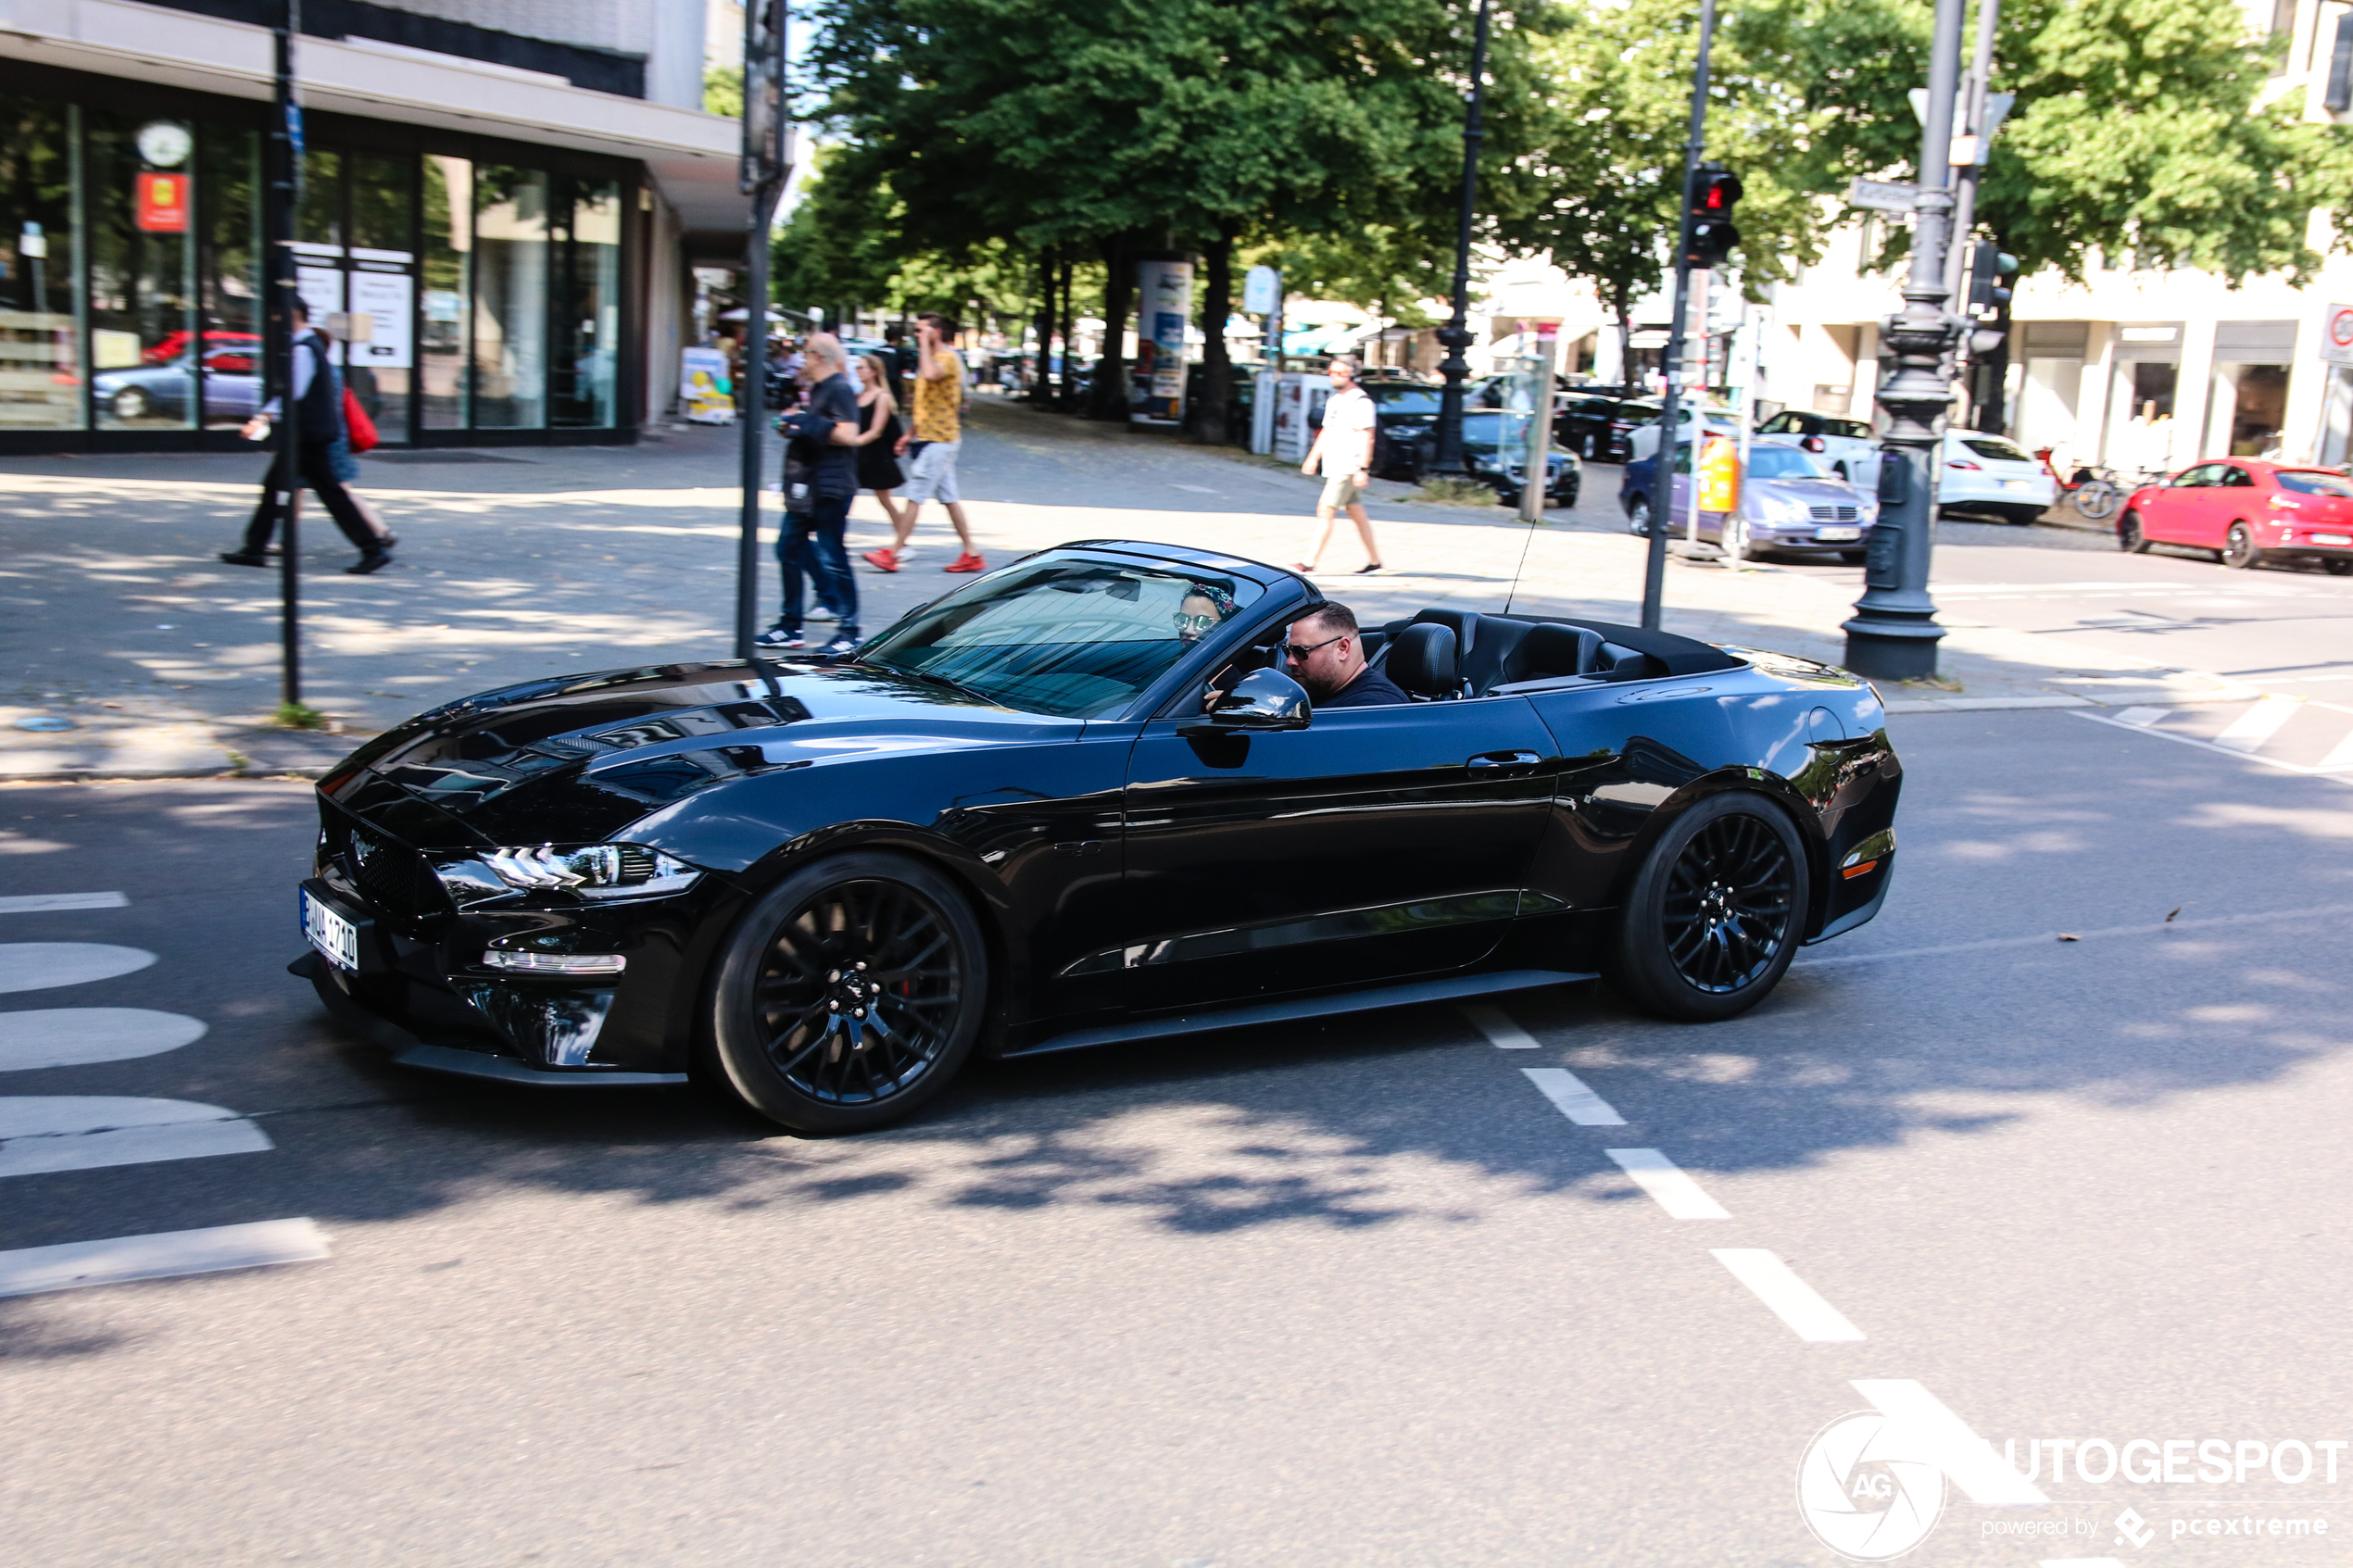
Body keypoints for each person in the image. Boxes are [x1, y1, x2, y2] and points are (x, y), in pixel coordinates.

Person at [220, 297, 392, 575]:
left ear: (292, 315)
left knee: (330, 494)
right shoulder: (309, 346)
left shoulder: (303, 350)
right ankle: (253, 548)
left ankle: (373, 548)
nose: (273, 323)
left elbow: (294, 392)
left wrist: (262, 418)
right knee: (279, 488)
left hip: (306, 436)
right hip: (308, 434)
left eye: (277, 317)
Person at [756, 333, 865, 654]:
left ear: (818, 356)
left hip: (830, 486)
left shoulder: (839, 388)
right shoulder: (820, 390)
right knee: (788, 548)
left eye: (805, 354)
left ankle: (850, 630)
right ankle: (790, 625)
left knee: (833, 557)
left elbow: (847, 434)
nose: (802, 360)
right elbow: (817, 427)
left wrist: (804, 423)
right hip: (807, 486)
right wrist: (796, 424)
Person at [865, 312, 985, 575]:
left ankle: (893, 553)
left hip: (941, 439)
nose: (916, 335)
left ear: (936, 332)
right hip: (934, 436)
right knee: (949, 497)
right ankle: (972, 553)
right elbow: (929, 404)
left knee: (915, 493)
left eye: (922, 331)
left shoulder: (946, 358)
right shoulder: (931, 358)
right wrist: (910, 434)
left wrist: (924, 347)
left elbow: (931, 375)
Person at [1297, 356, 1383, 576]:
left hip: (1348, 465)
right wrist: (1313, 458)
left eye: (1340, 373)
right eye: (1331, 373)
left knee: (1325, 509)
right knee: (1356, 511)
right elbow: (1327, 431)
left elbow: (1368, 436)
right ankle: (1375, 561)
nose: (1334, 377)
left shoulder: (1360, 401)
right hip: (1335, 463)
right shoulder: (1335, 399)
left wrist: (1363, 468)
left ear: (1352, 374)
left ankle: (1309, 562)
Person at [1282, 602, 1406, 708]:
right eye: (1288, 650)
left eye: (1300, 651)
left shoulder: (1373, 707)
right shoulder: (1319, 689)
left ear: (1343, 648)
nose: (1290, 661)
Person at [852, 351, 909, 536]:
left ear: (874, 371)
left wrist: (854, 442)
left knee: (885, 500)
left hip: (874, 455)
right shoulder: (858, 396)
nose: (857, 371)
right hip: (859, 454)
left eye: (861, 367)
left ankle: (902, 539)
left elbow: (876, 430)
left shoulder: (882, 396)